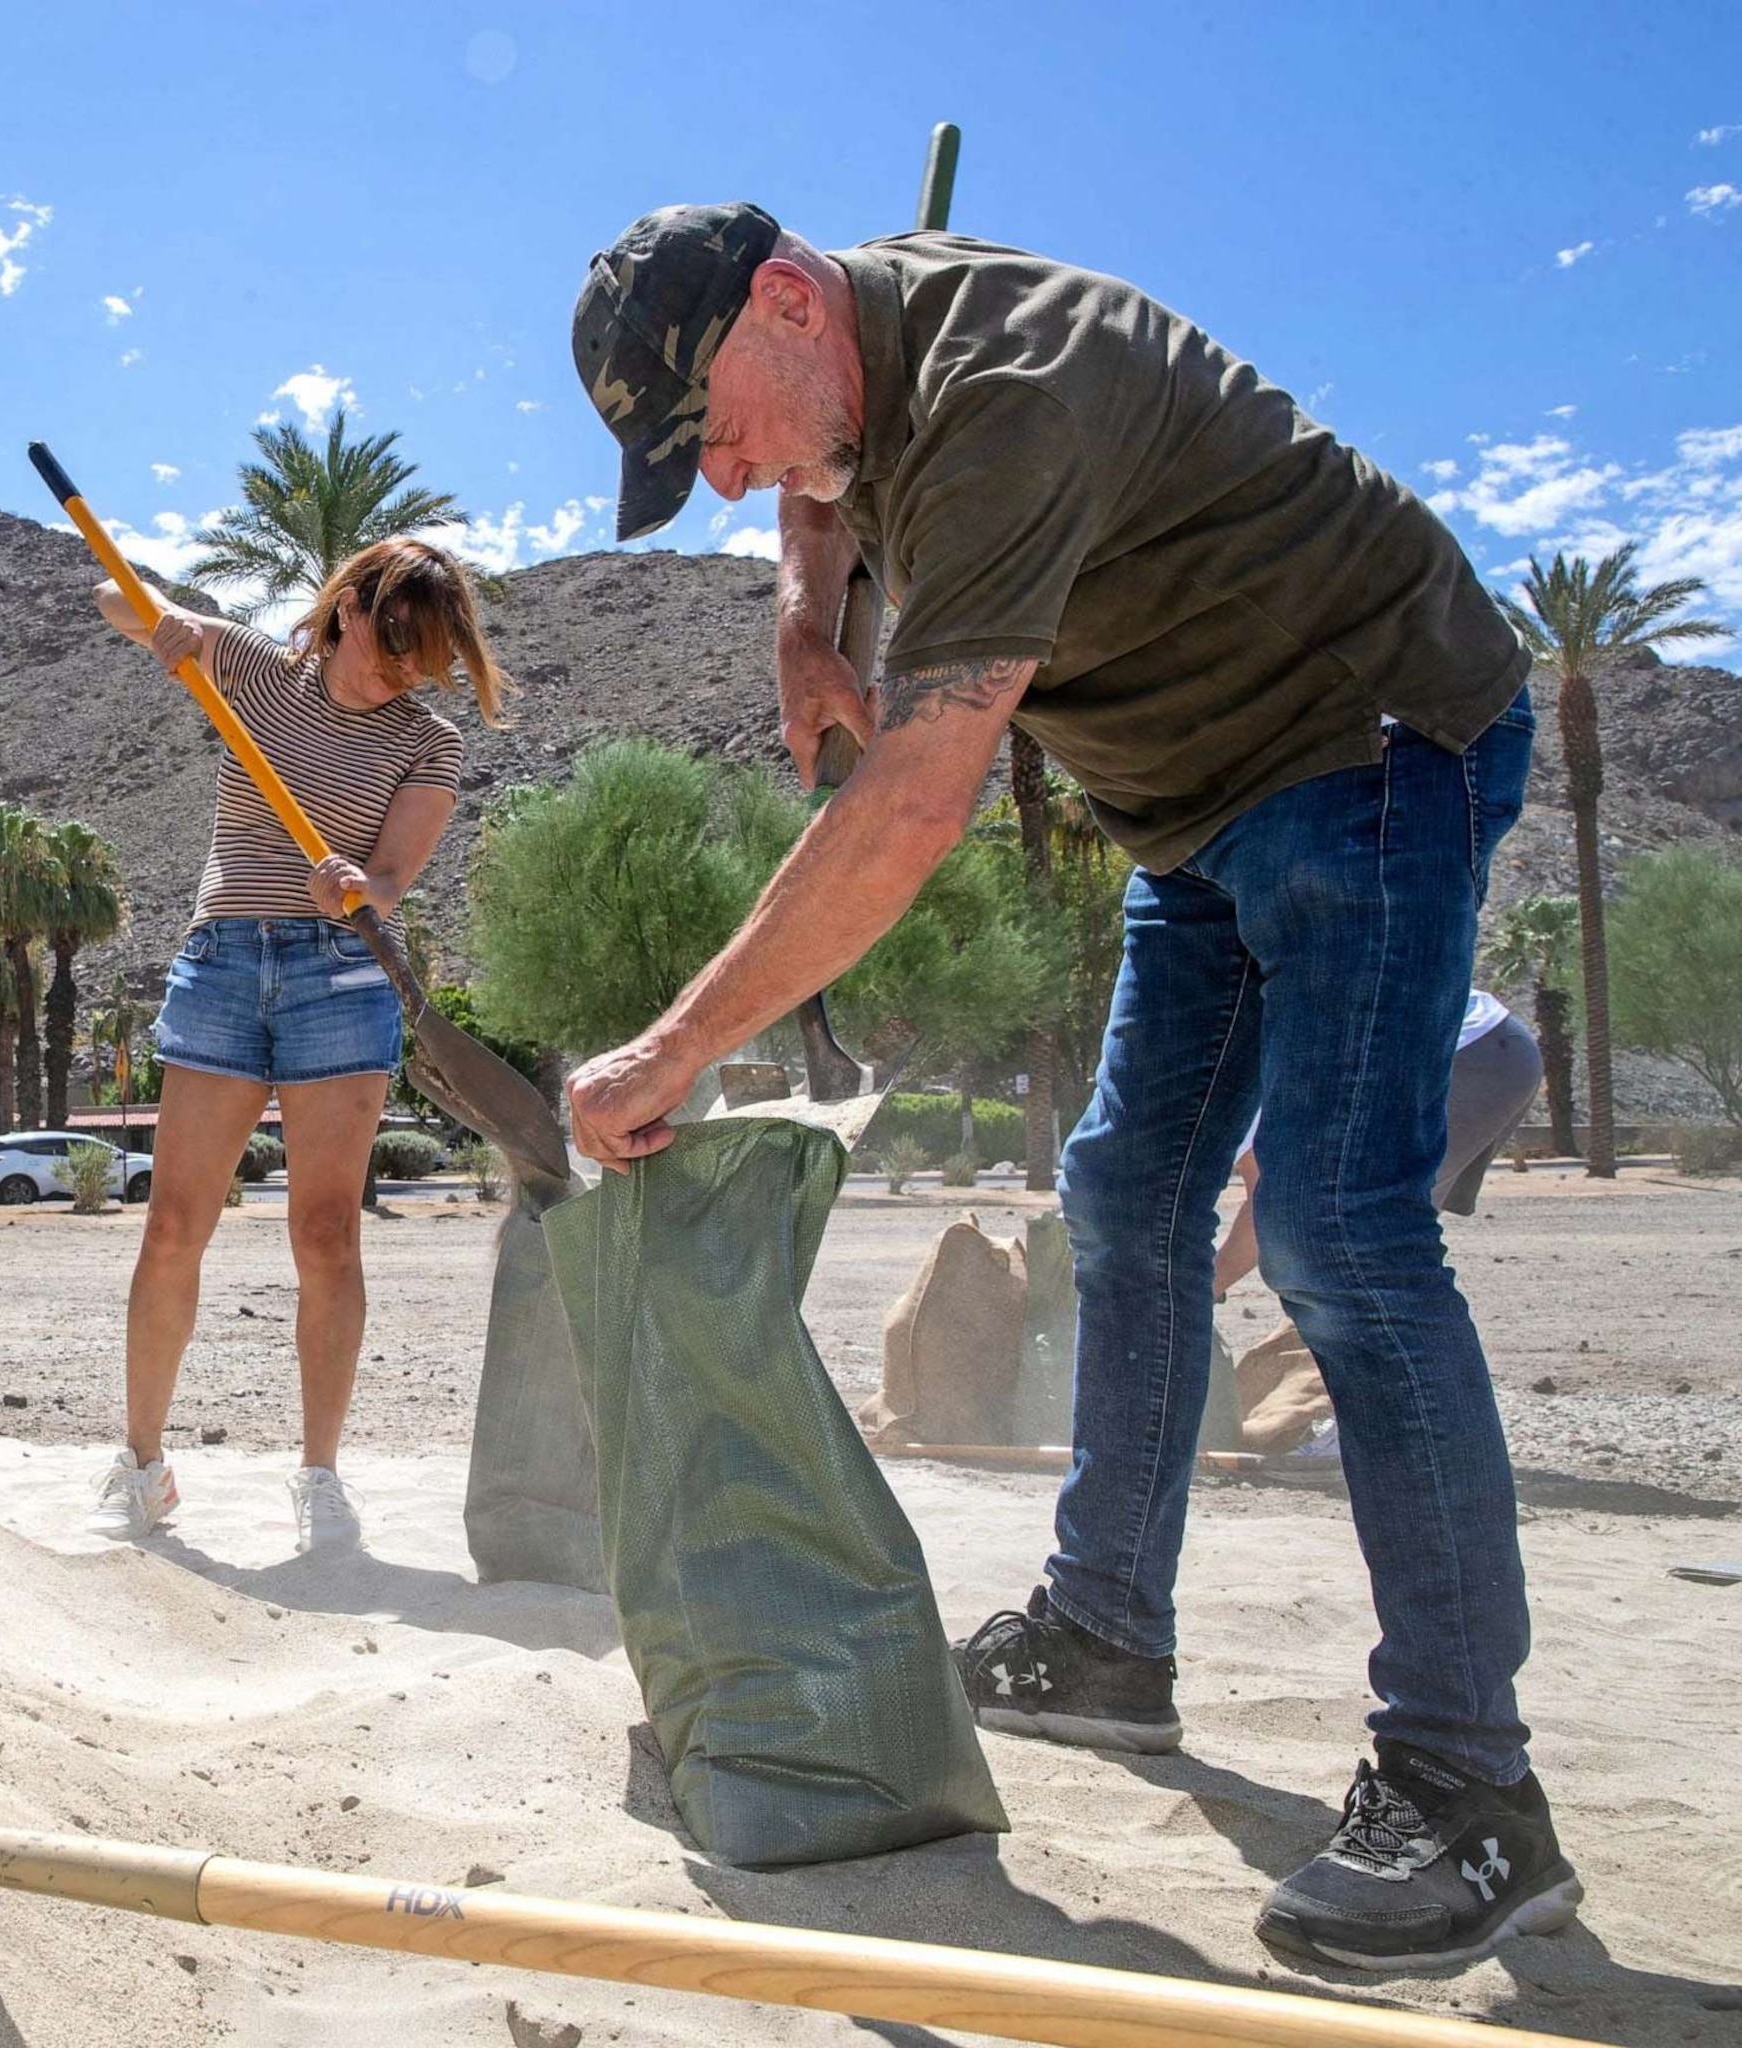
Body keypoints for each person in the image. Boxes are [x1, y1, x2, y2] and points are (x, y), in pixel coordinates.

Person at [569, 204, 1562, 1969]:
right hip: (1186, 802)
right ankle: (1105, 1633)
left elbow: (915, 804)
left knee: (1332, 1228)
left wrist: (677, 1043)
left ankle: (1469, 1785)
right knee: (1125, 1197)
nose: (720, 485)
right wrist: (810, 632)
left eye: (707, 433)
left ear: (788, 303)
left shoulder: (1009, 387)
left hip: (1370, 737)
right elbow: (814, 486)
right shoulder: (838, 363)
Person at [83, 537, 508, 1554]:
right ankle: (141, 1464)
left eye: (429, 656)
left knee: (326, 1233)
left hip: (341, 975)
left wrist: (362, 887)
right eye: (395, 640)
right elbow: (112, 595)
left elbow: (395, 874)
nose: (403, 670)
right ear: (351, 607)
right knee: (176, 1222)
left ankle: (320, 1475)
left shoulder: (427, 738)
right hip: (223, 964)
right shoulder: (248, 668)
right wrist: (168, 624)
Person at [1216, 990, 1546, 1301]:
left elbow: (1270, 1203)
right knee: (1368, 1251)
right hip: (1487, 1046)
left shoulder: (1231, 1075)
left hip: (1468, 1055)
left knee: (1369, 1245)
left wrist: (1205, 1289)